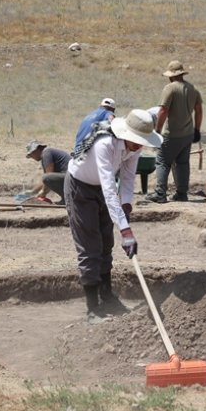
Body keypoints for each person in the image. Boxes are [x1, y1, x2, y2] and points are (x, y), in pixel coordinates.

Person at [65, 109, 162, 321]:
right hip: (80, 188)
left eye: (142, 141)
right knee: (90, 245)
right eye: (137, 140)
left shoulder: (134, 148)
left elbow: (127, 179)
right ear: (127, 133)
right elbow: (110, 188)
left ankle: (107, 295)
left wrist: (126, 207)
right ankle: (93, 309)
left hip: (101, 189)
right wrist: (125, 230)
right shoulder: (105, 144)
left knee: (106, 242)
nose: (139, 145)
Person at [146, 60, 203, 203]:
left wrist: (157, 130)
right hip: (188, 133)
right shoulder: (193, 89)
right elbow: (199, 110)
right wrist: (197, 129)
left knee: (162, 162)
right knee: (183, 163)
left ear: (171, 75)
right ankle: (182, 193)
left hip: (171, 133)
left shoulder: (170, 88)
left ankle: (160, 193)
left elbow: (163, 110)